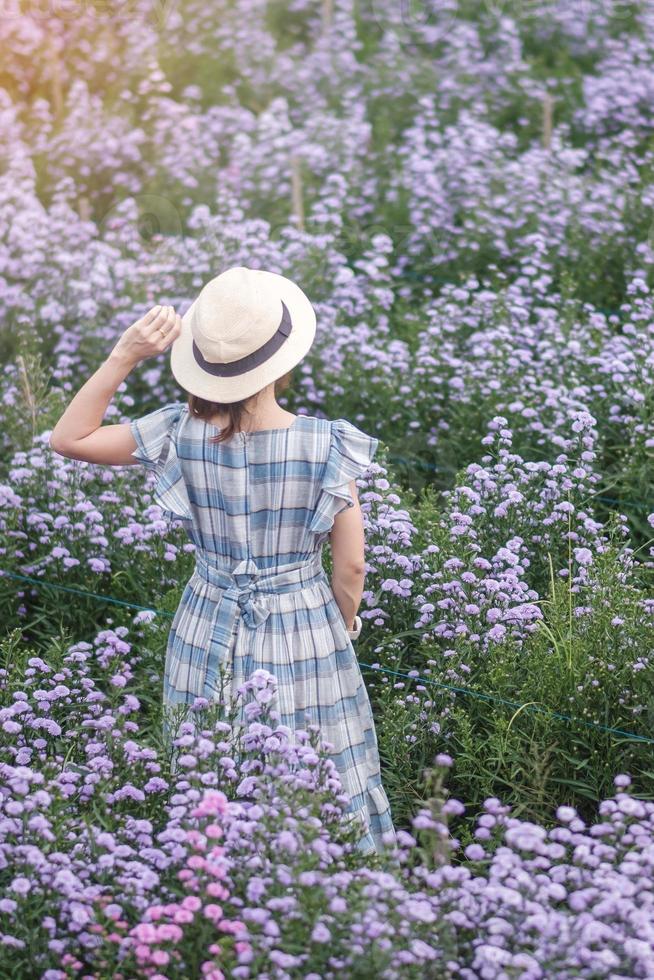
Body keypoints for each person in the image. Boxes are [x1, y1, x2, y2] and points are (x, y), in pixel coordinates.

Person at [49, 265, 396, 854]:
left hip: (206, 618)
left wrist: (124, 355)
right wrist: (342, 622)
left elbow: (69, 438)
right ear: (282, 360)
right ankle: (330, 881)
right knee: (318, 763)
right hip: (304, 620)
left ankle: (214, 883)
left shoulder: (176, 431)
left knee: (208, 763)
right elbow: (352, 568)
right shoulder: (327, 443)